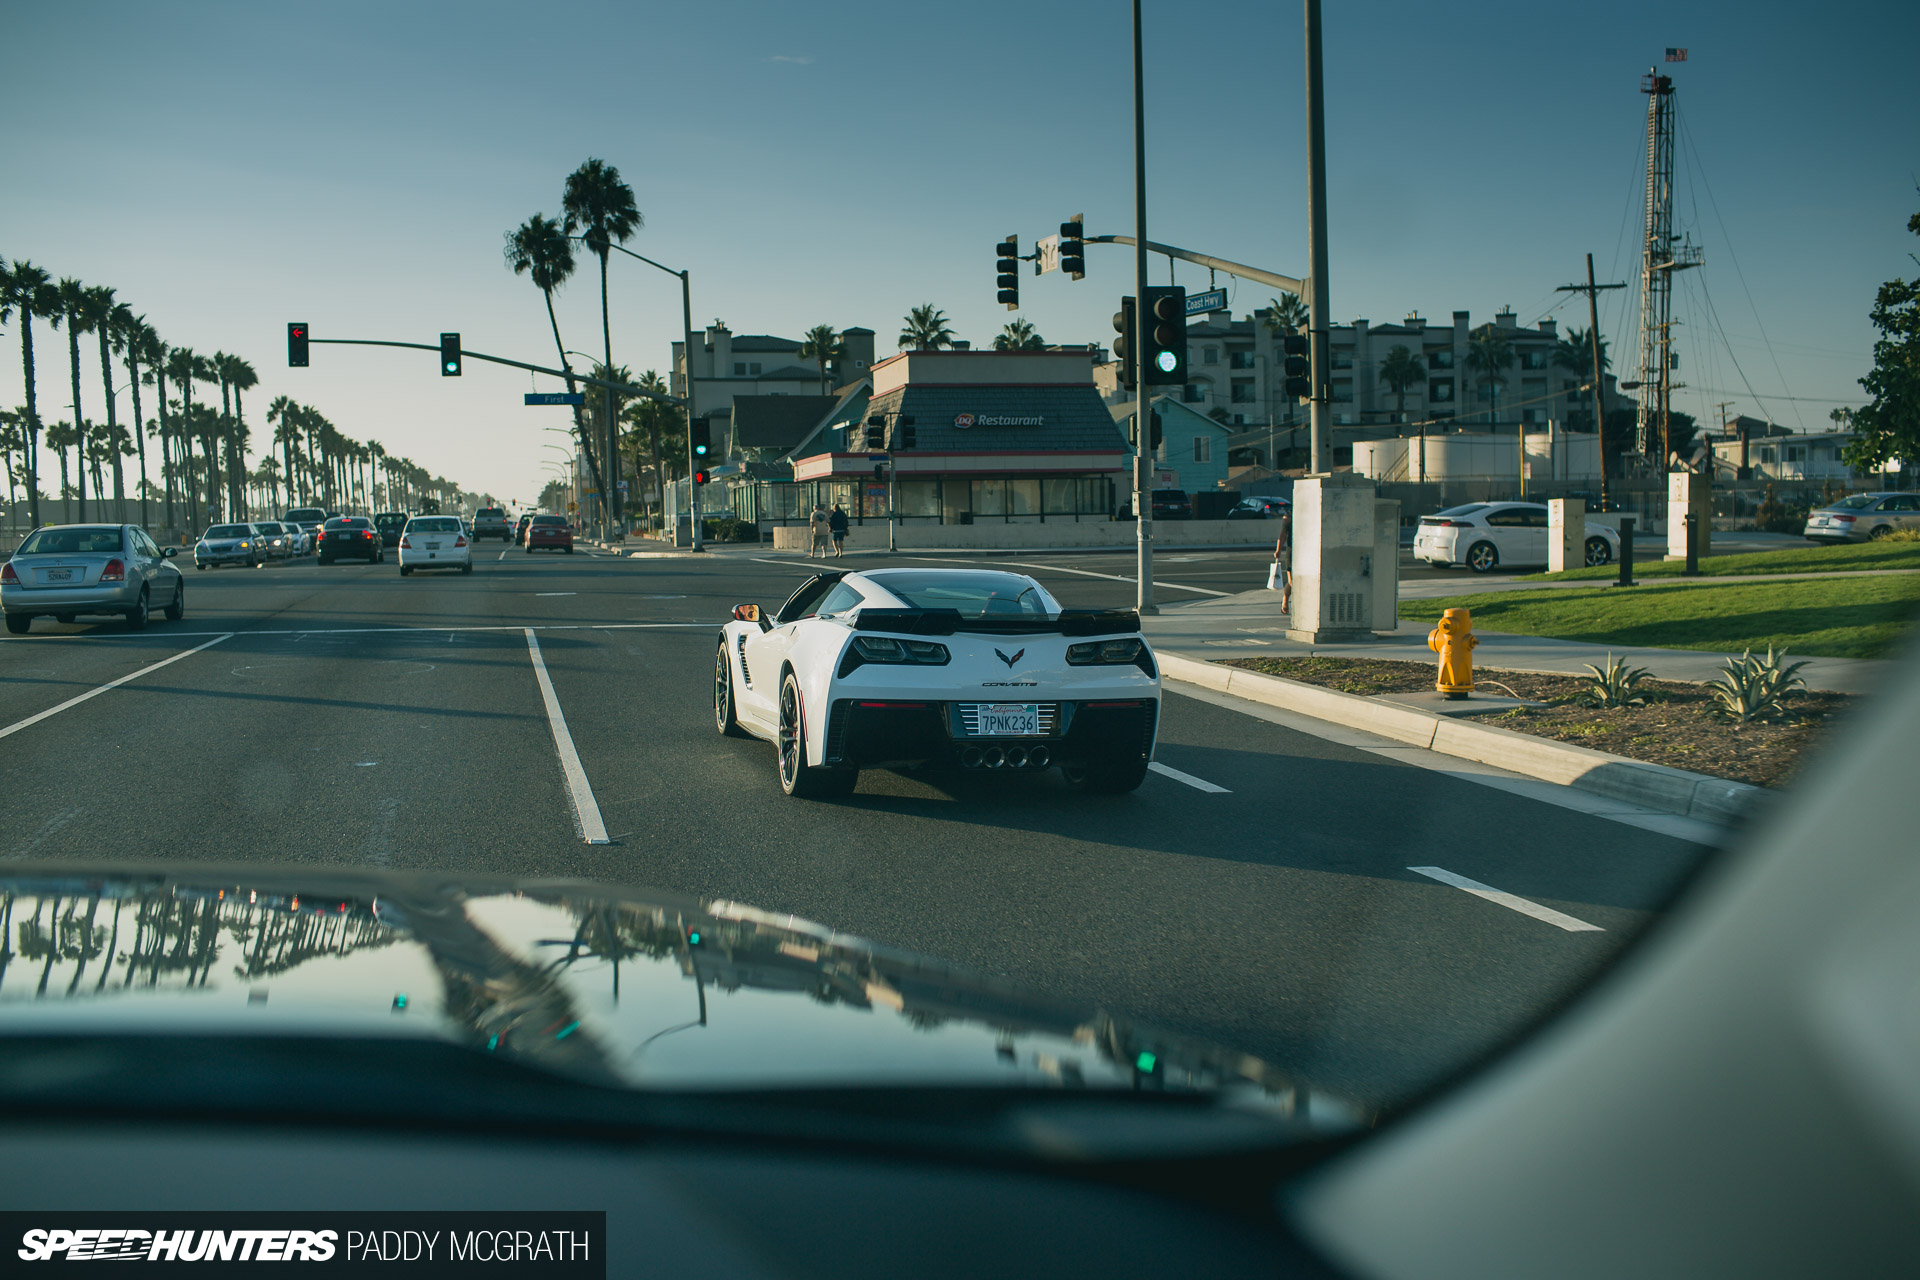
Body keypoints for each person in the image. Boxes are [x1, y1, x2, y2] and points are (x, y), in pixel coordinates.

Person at [1272, 510, 1292, 614]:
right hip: (1292, 551)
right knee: (1292, 581)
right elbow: (1283, 535)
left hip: (1306, 550)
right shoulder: (1288, 517)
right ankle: (1285, 599)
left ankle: (1286, 599)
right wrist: (1278, 550)